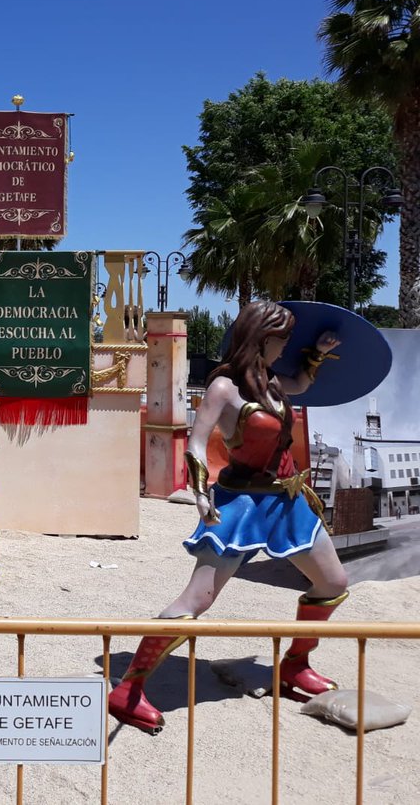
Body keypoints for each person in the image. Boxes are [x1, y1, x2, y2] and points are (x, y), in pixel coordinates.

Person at [108, 301, 345, 734]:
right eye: (281, 340)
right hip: (242, 505)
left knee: (332, 584)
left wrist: (317, 353)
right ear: (260, 339)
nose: (284, 347)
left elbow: (301, 383)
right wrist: (200, 494)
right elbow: (197, 444)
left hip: (288, 501)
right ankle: (129, 688)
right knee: (196, 601)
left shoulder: (272, 381)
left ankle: (295, 666)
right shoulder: (224, 387)